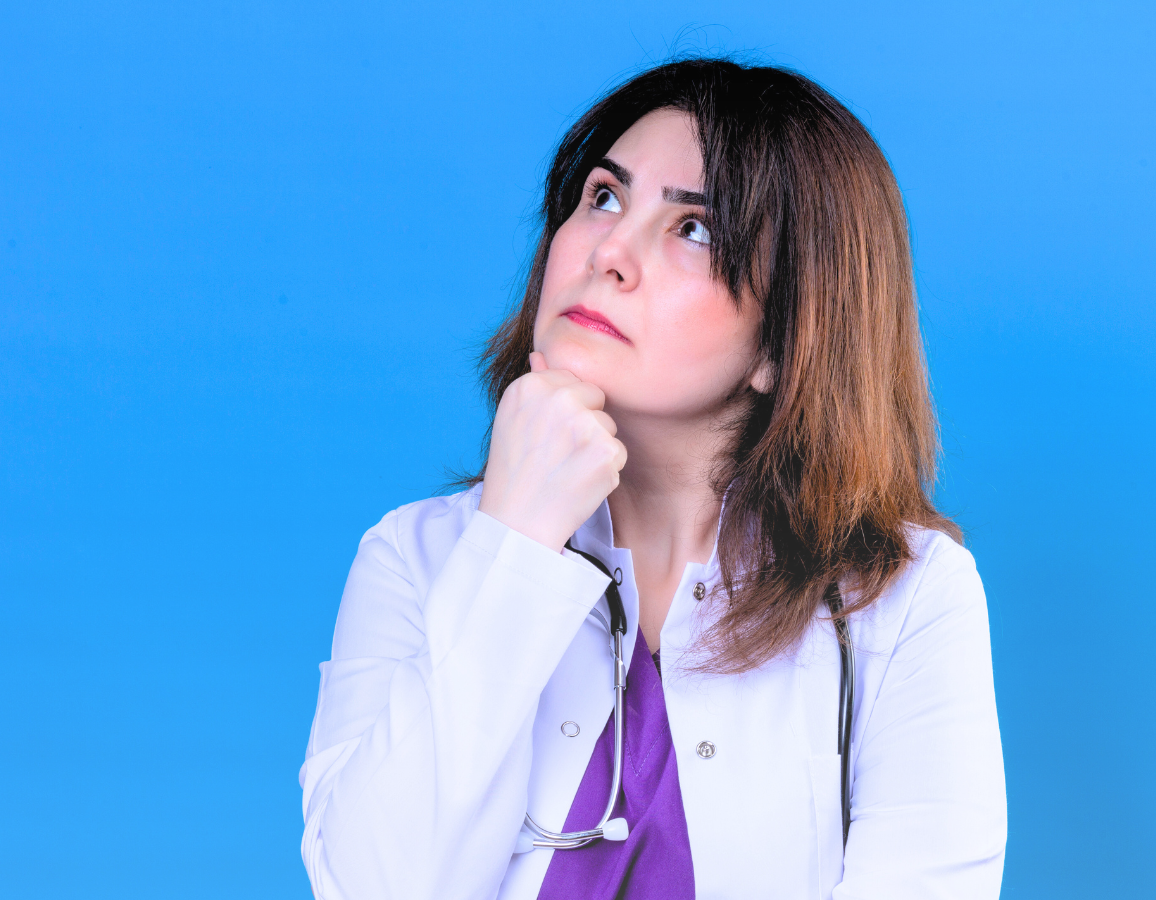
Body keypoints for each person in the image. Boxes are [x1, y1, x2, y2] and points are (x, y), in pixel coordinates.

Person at [299, 57, 1006, 900]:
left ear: (787, 341)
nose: (609, 252)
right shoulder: (415, 559)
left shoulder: (908, 599)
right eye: (603, 196)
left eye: (694, 229)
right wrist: (514, 545)